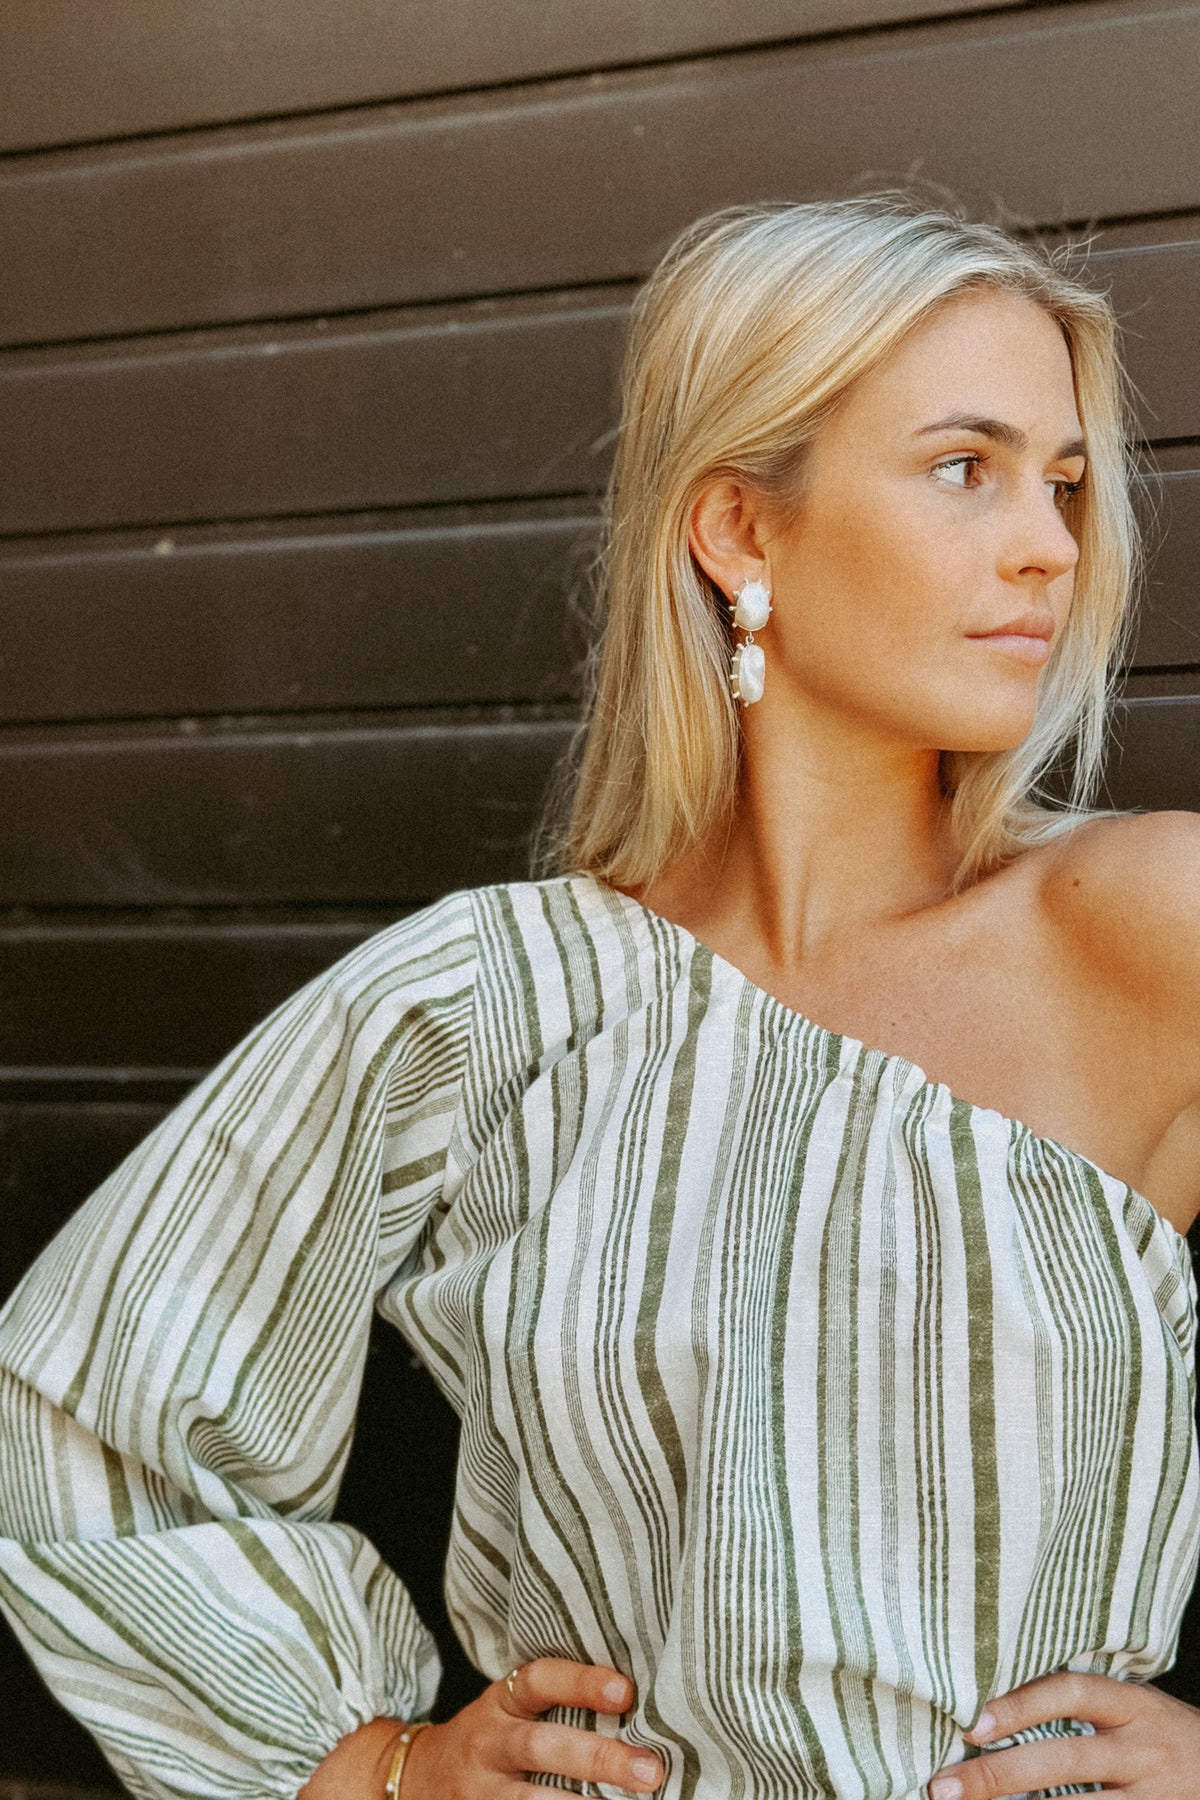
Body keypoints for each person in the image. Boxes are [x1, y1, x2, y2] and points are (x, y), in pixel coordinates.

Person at [0, 194, 1198, 1800]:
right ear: (740, 532)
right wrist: (375, 1766)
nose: (1052, 542)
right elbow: (77, 1417)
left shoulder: (1148, 925)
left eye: (1063, 481)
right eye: (962, 467)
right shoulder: (496, 1001)